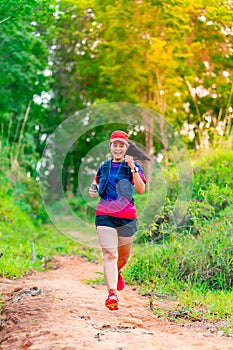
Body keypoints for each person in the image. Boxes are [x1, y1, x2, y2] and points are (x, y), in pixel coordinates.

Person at [88, 130, 150, 311]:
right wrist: (93, 188)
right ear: (110, 147)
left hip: (127, 217)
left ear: (126, 147)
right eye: (114, 144)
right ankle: (112, 294)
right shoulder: (104, 166)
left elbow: (140, 190)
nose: (118, 148)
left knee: (122, 258)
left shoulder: (134, 166)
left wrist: (132, 168)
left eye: (121, 145)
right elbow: (97, 182)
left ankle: (117, 272)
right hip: (104, 215)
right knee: (110, 254)